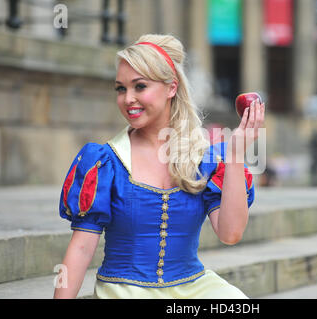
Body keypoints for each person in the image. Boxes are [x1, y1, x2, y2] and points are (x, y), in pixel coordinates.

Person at [53, 34, 265, 299]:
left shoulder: (205, 159)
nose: (128, 98)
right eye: (121, 88)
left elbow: (231, 233)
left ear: (171, 88)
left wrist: (235, 155)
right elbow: (82, 249)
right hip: (125, 289)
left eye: (139, 86)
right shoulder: (105, 162)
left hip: (194, 286)